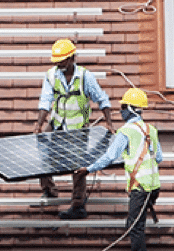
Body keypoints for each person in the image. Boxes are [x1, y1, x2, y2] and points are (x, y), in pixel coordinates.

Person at [76, 88, 162, 251]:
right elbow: (159, 157)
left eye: (123, 106)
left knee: (135, 225)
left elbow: (110, 156)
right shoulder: (151, 129)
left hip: (141, 187)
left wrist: (88, 169)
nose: (120, 110)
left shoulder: (126, 131)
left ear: (130, 109)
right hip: (154, 186)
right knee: (135, 221)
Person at [34, 39, 114, 220]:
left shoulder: (85, 76)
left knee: (78, 165)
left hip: (78, 128)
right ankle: (49, 190)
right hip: (57, 123)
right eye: (56, 61)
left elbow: (102, 99)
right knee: (41, 149)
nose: (58, 64)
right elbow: (45, 101)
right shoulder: (51, 75)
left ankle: (78, 204)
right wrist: (39, 125)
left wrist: (109, 122)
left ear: (71, 58)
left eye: (62, 61)